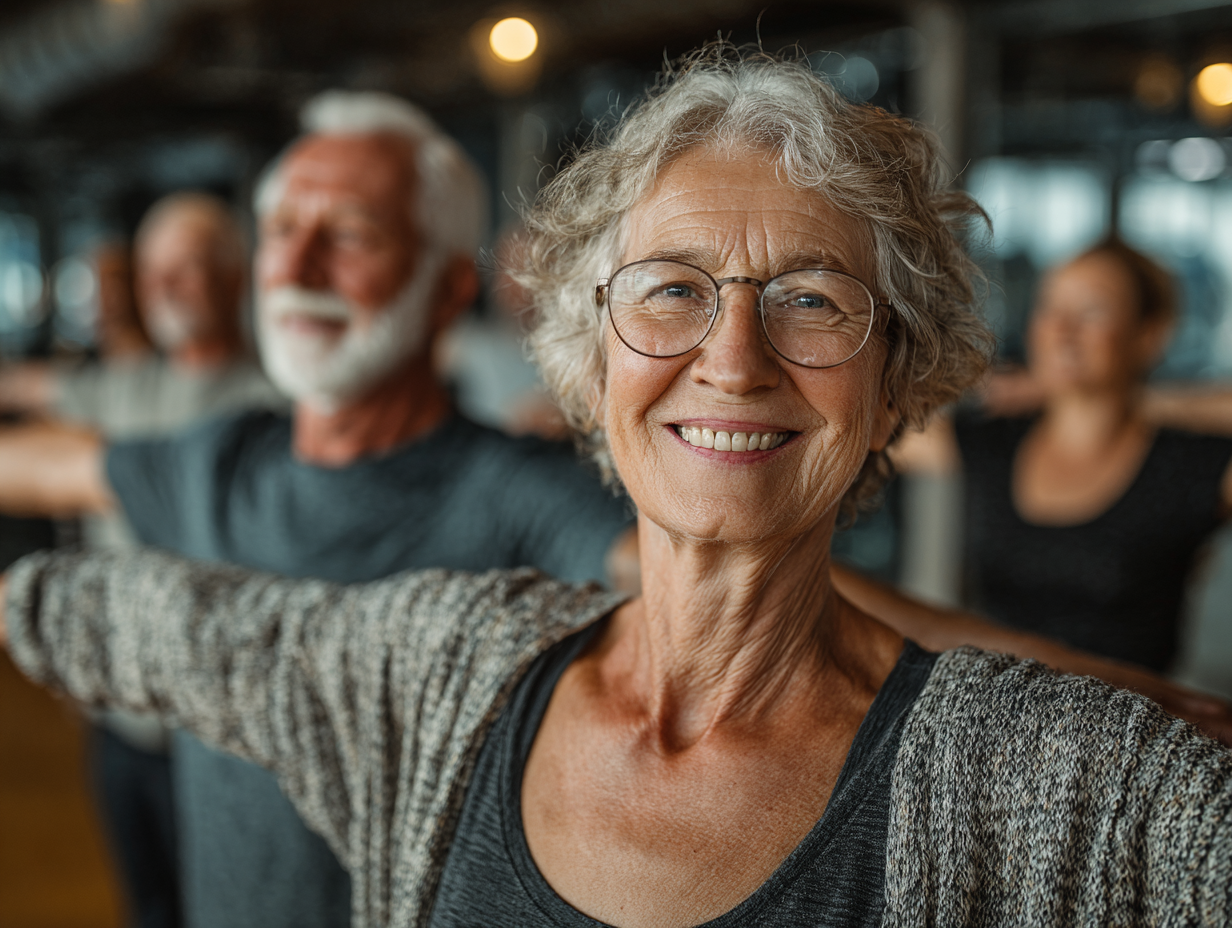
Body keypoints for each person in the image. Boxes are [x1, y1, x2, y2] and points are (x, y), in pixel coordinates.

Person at [4, 48, 1231, 926]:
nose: (733, 360)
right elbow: (168, 624)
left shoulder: (1057, 788)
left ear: (893, 378)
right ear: (591, 365)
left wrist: (1140, 712)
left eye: (809, 298)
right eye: (671, 290)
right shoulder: (433, 669)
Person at [0, 92, 638, 928]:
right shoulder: (225, 460)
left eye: (348, 235)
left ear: (446, 288)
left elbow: (712, 598)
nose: (296, 270)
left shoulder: (516, 490)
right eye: (281, 230)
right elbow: (47, 465)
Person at [894, 240, 1232, 673]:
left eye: (1092, 310)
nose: (1062, 328)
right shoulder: (995, 441)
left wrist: (1135, 397)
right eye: (1049, 306)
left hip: (1128, 732)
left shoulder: (1187, 463)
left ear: (1150, 334)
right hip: (991, 722)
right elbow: (871, 431)